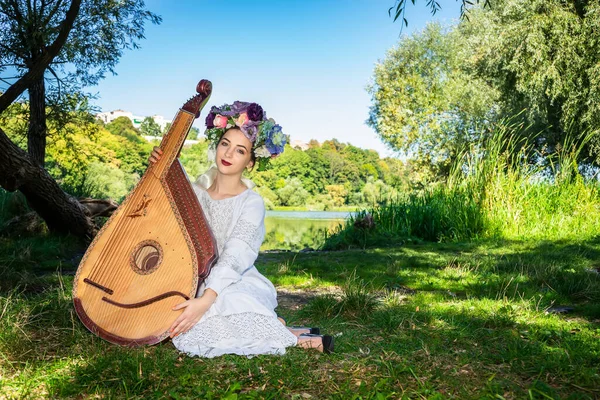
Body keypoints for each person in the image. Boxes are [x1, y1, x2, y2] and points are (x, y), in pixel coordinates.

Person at [148, 101, 334, 357]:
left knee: (227, 304)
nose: (228, 154)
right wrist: (160, 169)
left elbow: (236, 255)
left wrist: (205, 300)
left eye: (240, 150)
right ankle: (282, 328)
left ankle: (290, 336)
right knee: (170, 313)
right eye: (225, 144)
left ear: (249, 162)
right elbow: (162, 214)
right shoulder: (197, 193)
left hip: (232, 277)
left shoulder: (251, 202)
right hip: (189, 276)